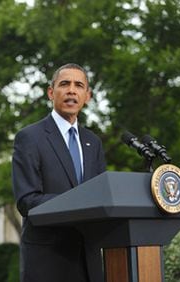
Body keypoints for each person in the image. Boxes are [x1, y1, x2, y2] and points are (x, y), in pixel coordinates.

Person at [12, 63, 106, 282]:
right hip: (48, 260)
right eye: (65, 84)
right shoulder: (30, 138)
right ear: (51, 92)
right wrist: (79, 204)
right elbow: (27, 200)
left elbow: (101, 196)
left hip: (89, 261)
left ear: (87, 96)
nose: (72, 90)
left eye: (79, 85)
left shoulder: (94, 142)